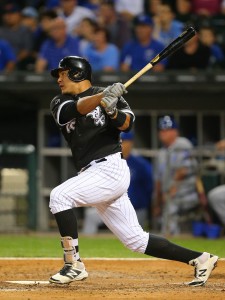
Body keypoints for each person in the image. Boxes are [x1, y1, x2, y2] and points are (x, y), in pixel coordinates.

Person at [48, 54, 218, 286]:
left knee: (60, 196)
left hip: (110, 168)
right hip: (90, 173)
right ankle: (201, 259)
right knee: (135, 240)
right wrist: (102, 97)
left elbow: (127, 124)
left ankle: (73, 264)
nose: (59, 79)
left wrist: (111, 110)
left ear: (77, 73)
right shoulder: (59, 101)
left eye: (62, 73)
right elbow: (72, 111)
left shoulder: (111, 95)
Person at [82, 130, 153, 233]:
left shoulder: (140, 165)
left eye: (123, 141)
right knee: (91, 216)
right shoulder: (108, 162)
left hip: (135, 210)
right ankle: (85, 247)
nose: (120, 144)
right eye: (117, 141)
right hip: (112, 209)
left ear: (130, 143)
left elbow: (149, 188)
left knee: (133, 234)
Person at [153, 115, 200, 235]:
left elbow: (183, 170)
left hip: (187, 192)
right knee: (164, 210)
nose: (164, 133)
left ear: (175, 131)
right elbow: (158, 181)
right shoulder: (161, 153)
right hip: (168, 195)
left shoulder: (182, 144)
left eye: (168, 130)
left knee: (170, 206)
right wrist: (157, 202)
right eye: (162, 131)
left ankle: (170, 236)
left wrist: (171, 188)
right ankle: (171, 236)